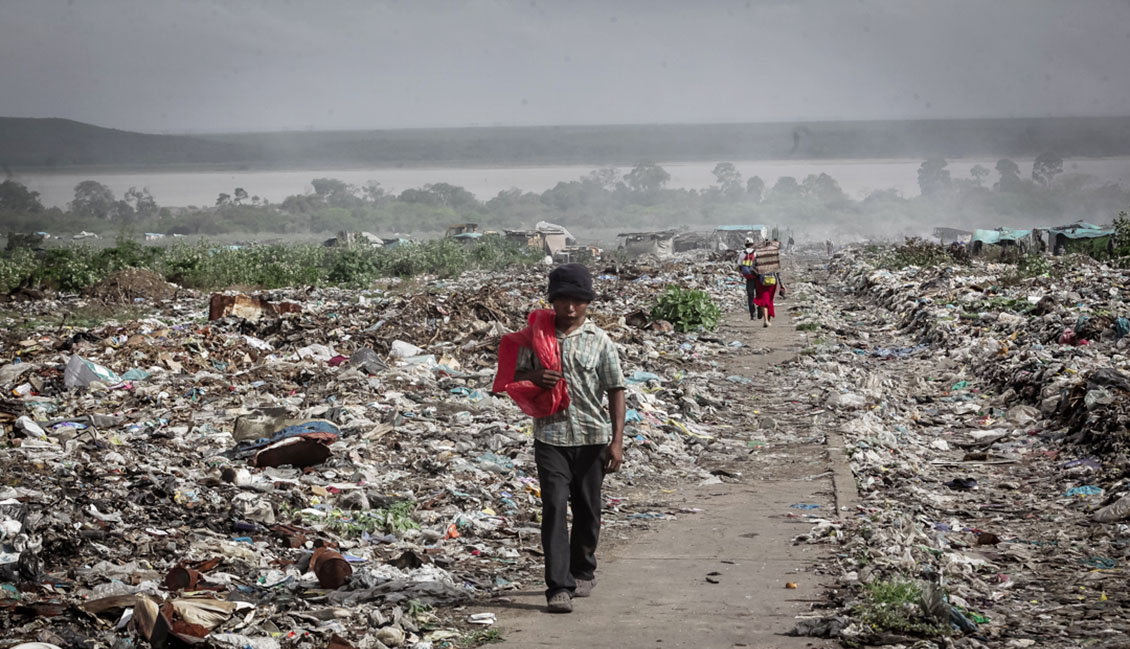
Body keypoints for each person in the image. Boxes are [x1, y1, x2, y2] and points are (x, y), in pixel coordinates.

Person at [511, 263, 626, 614]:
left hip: (592, 437)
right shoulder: (536, 337)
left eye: (577, 301)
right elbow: (515, 379)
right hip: (551, 436)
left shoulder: (599, 341)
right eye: (563, 300)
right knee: (555, 508)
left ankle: (583, 569)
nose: (570, 308)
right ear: (553, 301)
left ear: (588, 302)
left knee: (588, 509)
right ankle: (558, 586)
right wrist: (534, 376)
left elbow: (616, 388)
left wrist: (617, 441)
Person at [737, 237, 761, 320]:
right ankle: (760, 310)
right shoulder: (756, 253)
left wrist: (743, 274)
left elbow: (739, 266)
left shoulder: (742, 254)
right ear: (752, 244)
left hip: (748, 278)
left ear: (745, 245)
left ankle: (752, 314)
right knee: (759, 295)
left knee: (750, 296)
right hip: (757, 277)